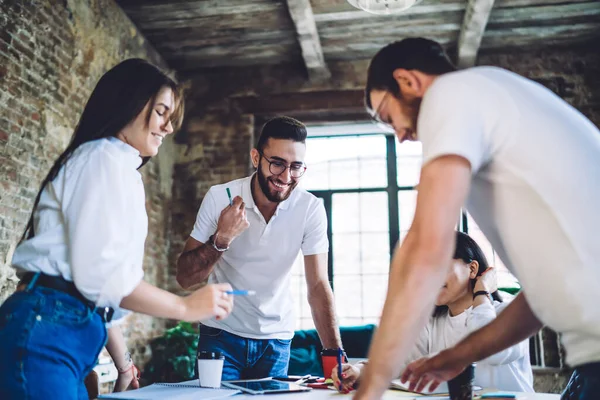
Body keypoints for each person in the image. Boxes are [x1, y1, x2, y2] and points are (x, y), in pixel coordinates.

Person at [353, 37, 600, 400]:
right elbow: (541, 298)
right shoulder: (495, 103)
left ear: (407, 81)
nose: (401, 136)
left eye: (387, 117)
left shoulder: (452, 95)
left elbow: (425, 247)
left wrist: (370, 388)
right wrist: (457, 356)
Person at [0, 58, 234, 400]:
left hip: (61, 334)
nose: (168, 127)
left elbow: (97, 292)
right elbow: (102, 278)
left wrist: (124, 366)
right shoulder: (102, 158)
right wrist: (185, 307)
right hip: (45, 333)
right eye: (161, 112)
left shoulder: (115, 166)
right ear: (129, 102)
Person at [176, 116, 343, 380]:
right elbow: (185, 278)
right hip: (220, 336)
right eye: (277, 164)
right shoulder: (220, 197)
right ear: (256, 158)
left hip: (276, 342)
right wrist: (221, 239)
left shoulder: (310, 208)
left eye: (295, 167)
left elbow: (318, 285)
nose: (286, 177)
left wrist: (335, 356)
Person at [332, 232, 533, 393]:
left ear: (472, 269)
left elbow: (488, 351)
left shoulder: (508, 313)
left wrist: (481, 292)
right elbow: (399, 364)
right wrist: (359, 371)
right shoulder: (433, 322)